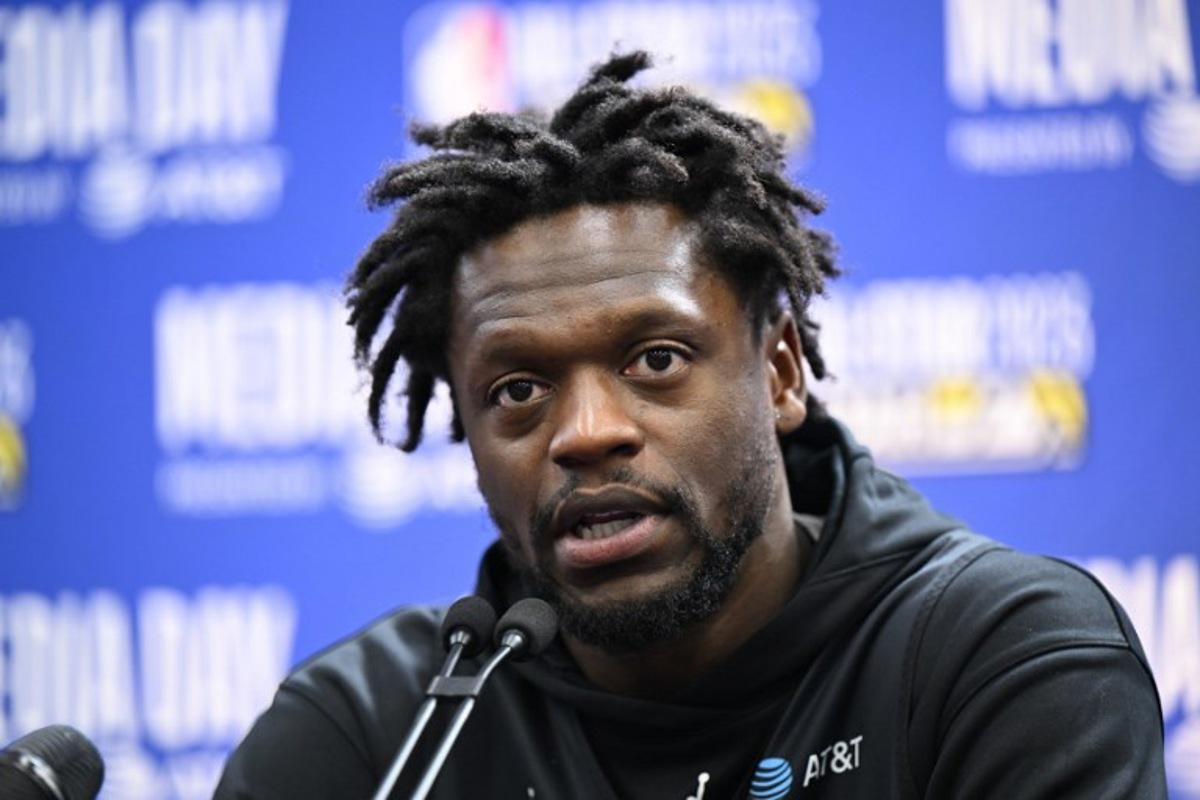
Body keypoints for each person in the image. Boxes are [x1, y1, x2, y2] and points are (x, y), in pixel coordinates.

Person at [215, 52, 1166, 799]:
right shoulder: (373, 734)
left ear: (781, 374)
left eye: (656, 360)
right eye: (518, 389)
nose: (586, 432)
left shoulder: (996, 658)